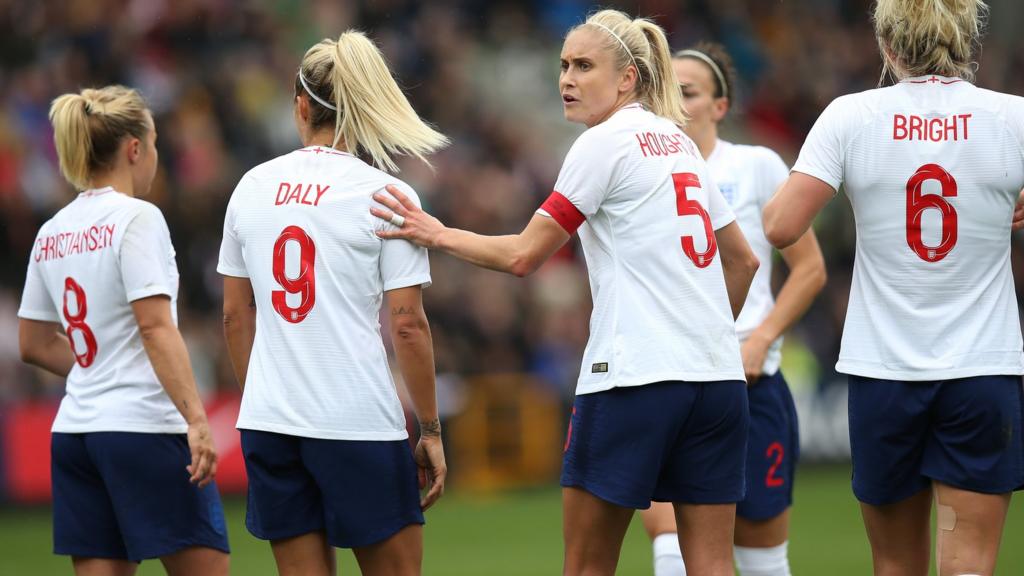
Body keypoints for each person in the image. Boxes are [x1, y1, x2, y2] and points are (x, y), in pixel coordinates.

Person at [371, 10, 760, 576]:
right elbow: (744, 261)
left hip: (634, 379)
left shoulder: (603, 144)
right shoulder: (679, 141)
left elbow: (524, 255)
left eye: (583, 65)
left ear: (628, 78)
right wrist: (701, 334)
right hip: (717, 381)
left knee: (586, 565)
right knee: (713, 563)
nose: (566, 79)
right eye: (562, 66)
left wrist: (436, 233)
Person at [763, 1, 1023, 574]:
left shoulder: (851, 116)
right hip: (982, 371)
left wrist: (859, 188)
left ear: (886, 47)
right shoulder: (1013, 117)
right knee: (971, 565)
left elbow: (781, 225)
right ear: (966, 43)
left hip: (884, 373)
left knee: (896, 566)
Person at [218, 31, 448, 576]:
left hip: (270, 421)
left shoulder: (251, 186)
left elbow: (234, 314)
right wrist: (432, 428)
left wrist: (267, 396)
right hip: (356, 420)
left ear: (301, 105)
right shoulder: (386, 196)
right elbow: (408, 325)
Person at [17, 85, 229, 576]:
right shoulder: (138, 218)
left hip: (75, 434)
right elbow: (155, 328)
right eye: (154, 144)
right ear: (135, 148)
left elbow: (32, 342)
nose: (156, 156)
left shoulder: (53, 229)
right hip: (142, 426)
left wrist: (98, 366)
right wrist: (198, 421)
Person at [637, 43, 827, 576]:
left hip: (748, 383)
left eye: (689, 91)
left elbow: (809, 268)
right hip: (667, 377)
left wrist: (762, 337)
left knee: (762, 558)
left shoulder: (756, 166)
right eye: (666, 89)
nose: (674, 101)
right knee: (671, 541)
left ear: (721, 106)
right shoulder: (635, 169)